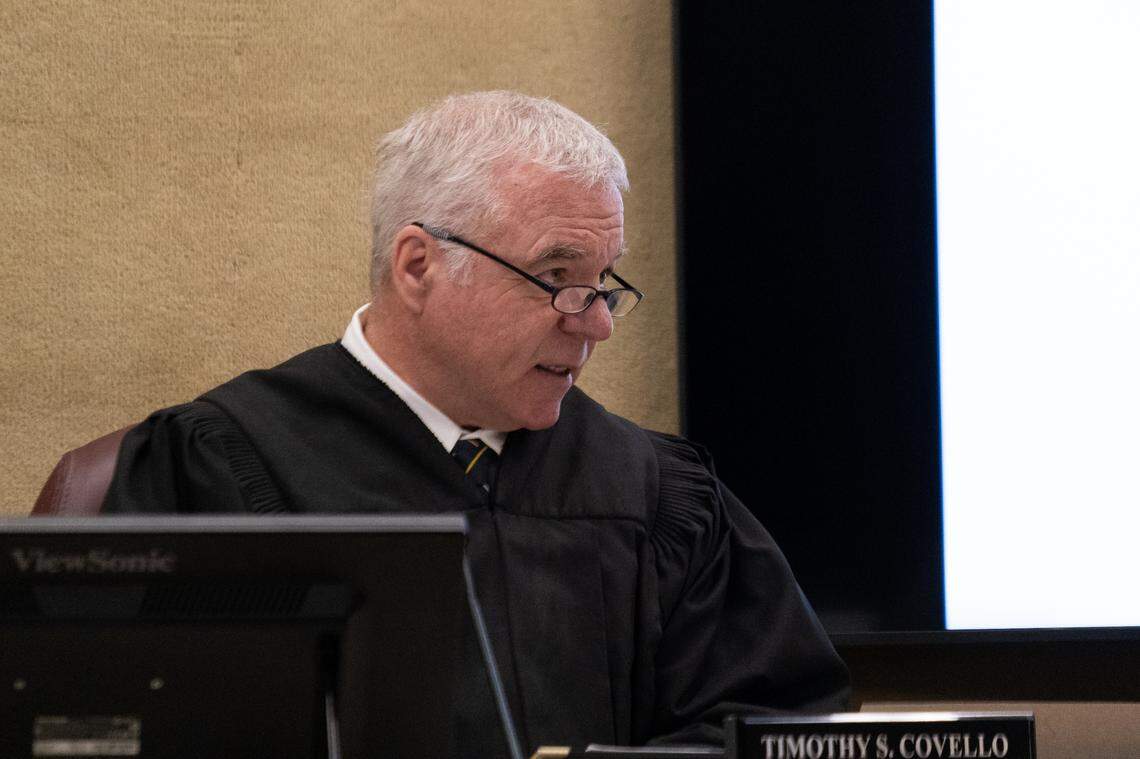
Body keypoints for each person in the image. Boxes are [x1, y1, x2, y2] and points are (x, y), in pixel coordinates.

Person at [103, 91, 849, 752]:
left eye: (604, 282)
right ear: (418, 266)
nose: (596, 326)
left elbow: (776, 724)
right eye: (556, 278)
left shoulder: (653, 494)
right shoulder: (227, 463)